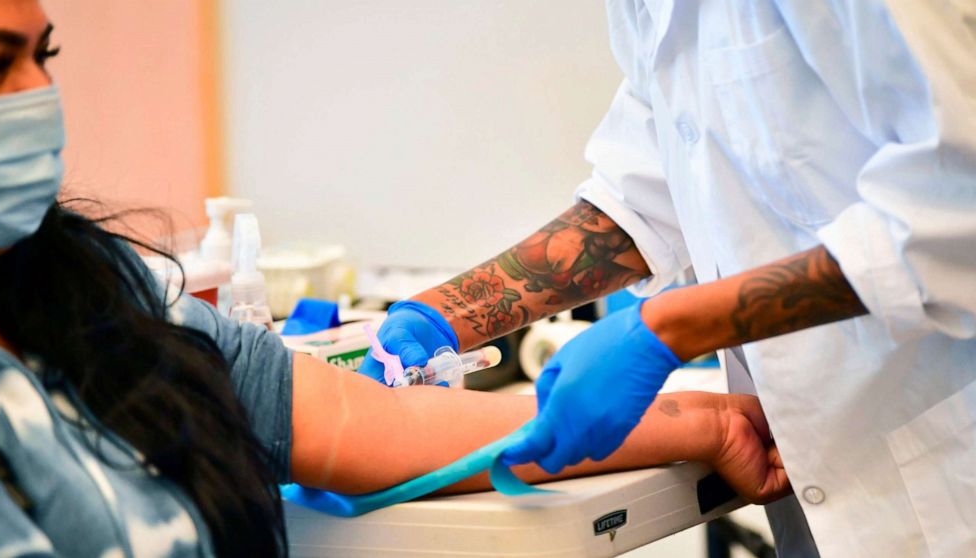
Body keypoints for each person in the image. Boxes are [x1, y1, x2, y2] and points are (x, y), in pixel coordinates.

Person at [0, 1, 791, 557]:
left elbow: (369, 427)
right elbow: (651, 190)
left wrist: (702, 421)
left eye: (42, 57)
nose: (38, 97)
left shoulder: (97, 291)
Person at [361, 1, 976, 556]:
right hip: (828, 474)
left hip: (949, 468)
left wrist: (671, 328)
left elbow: (957, 209)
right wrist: (445, 313)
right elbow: (649, 189)